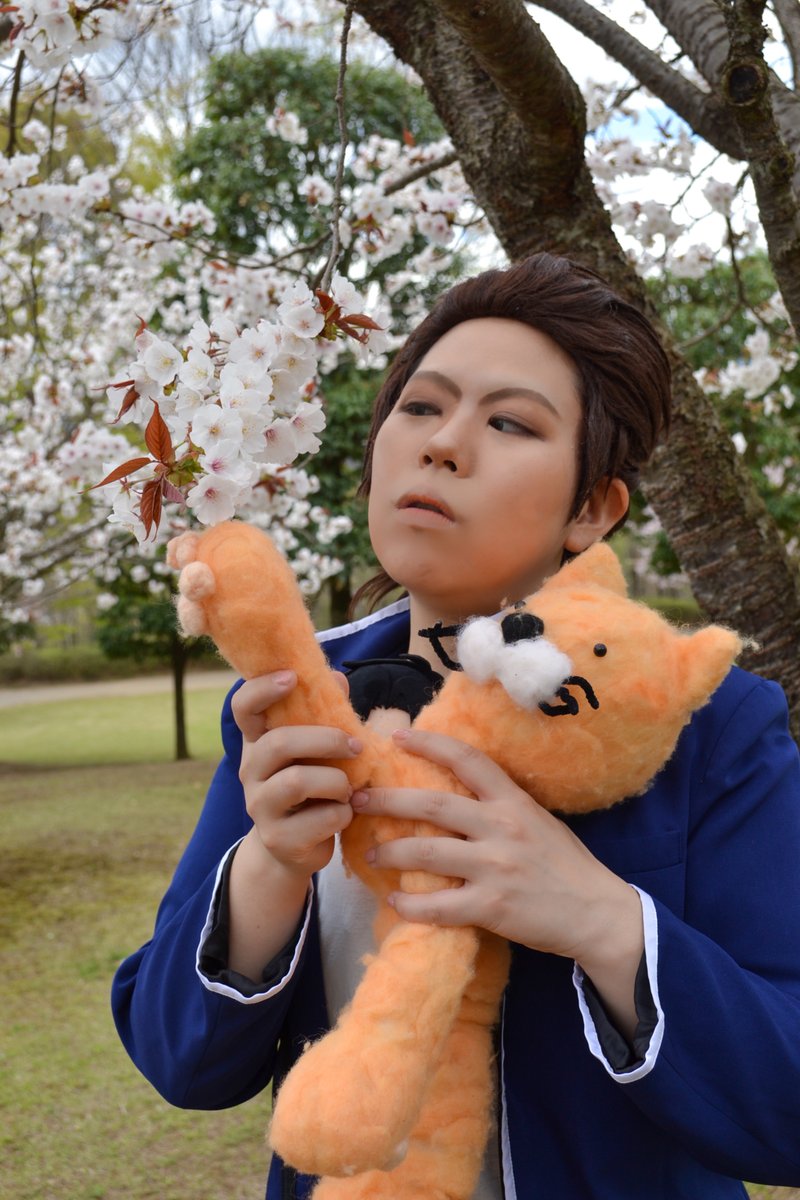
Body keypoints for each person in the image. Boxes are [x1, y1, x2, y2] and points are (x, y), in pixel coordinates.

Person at [111, 253, 800, 1199]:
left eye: (510, 422)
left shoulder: (707, 724)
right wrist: (269, 865)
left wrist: (602, 920)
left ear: (591, 509)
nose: (442, 444)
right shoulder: (290, 696)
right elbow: (177, 1059)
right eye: (422, 407)